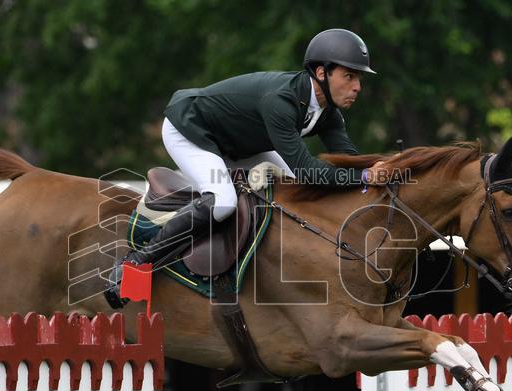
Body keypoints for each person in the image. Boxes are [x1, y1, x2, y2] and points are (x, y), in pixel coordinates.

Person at [105, 29, 388, 307]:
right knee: (223, 202)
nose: (357, 87)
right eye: (349, 76)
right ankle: (135, 262)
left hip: (238, 142)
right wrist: (363, 176)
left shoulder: (329, 114)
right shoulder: (282, 102)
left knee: (295, 192)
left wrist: (385, 169)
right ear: (321, 73)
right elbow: (308, 170)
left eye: (358, 78)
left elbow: (349, 159)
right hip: (190, 128)